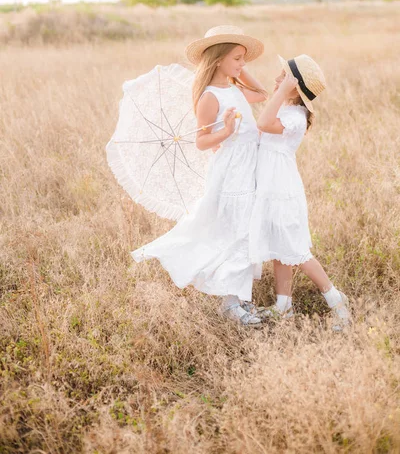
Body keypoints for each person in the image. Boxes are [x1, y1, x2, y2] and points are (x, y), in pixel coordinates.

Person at [132, 26, 267, 326]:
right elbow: (202, 141)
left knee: (248, 229)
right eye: (237, 58)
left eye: (244, 59)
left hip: (250, 166)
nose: (243, 64)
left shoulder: (234, 88)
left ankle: (240, 297)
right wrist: (227, 130)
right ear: (218, 59)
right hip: (232, 171)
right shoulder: (210, 97)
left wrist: (238, 70)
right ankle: (231, 304)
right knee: (237, 230)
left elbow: (261, 93)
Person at [249, 54, 351, 331]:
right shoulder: (282, 106)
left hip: (282, 187)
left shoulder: (295, 115)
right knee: (280, 248)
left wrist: (280, 92)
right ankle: (283, 306)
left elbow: (263, 124)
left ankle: (336, 299)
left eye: (283, 77)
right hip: (268, 185)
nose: (276, 80)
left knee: (295, 248)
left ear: (295, 87)